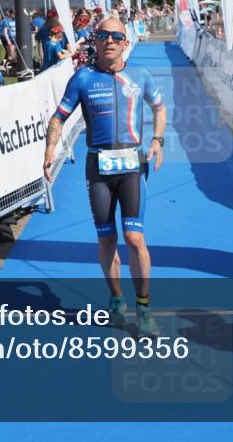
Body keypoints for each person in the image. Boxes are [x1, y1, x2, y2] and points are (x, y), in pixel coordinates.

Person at [42, 18, 167, 338]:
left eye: (116, 36)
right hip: (98, 167)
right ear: (94, 41)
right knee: (106, 237)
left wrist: (157, 140)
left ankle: (144, 307)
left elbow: (159, 107)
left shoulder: (140, 75)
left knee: (135, 238)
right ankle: (115, 299)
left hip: (131, 165)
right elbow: (58, 117)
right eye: (102, 35)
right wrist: (51, 149)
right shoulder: (82, 78)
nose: (109, 40)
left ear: (126, 43)